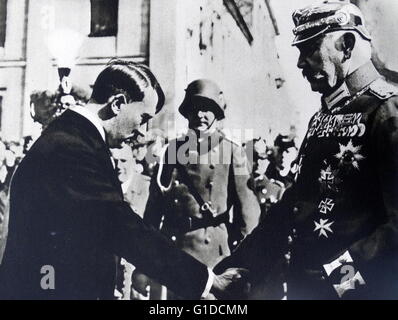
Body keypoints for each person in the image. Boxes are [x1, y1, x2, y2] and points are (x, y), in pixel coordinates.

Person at [0, 60, 245, 300]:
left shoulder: (76, 138)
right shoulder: (72, 148)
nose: (143, 131)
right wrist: (210, 282)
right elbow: (120, 226)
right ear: (117, 103)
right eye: (143, 118)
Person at [215, 2, 398, 299]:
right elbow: (295, 204)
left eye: (310, 49)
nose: (300, 63)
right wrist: (237, 267)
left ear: (347, 45)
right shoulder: (322, 116)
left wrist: (338, 280)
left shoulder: (386, 109)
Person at [141, 79, 261, 298]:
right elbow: (154, 210)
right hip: (174, 253)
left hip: (214, 257)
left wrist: (246, 262)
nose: (200, 114)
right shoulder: (171, 151)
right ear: (187, 113)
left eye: (207, 109)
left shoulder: (234, 151)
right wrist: (143, 265)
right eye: (194, 108)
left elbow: (248, 213)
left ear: (216, 113)